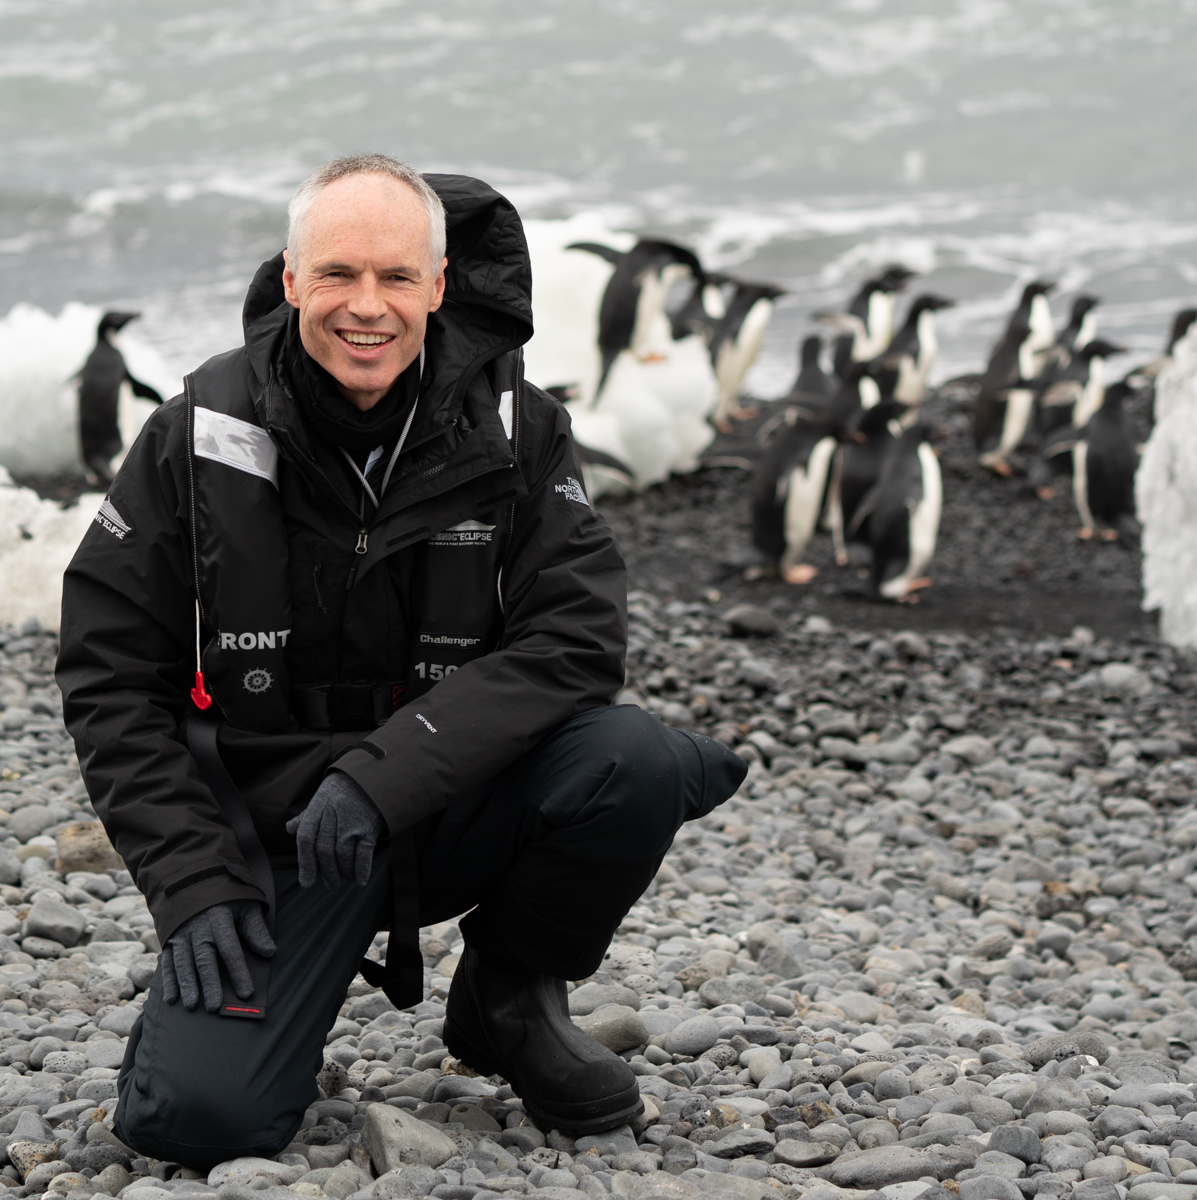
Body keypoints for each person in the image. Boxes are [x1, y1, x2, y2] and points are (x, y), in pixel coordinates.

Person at [56, 155, 745, 1170]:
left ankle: (510, 999)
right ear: (292, 280)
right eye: (338, 274)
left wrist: (385, 778)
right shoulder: (198, 431)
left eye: (396, 276)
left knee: (631, 760)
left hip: (447, 803)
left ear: (438, 283)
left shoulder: (519, 427)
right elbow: (110, 674)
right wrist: (192, 878)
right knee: (192, 1121)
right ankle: (239, 1019)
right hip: (277, 836)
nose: (367, 306)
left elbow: (575, 640)